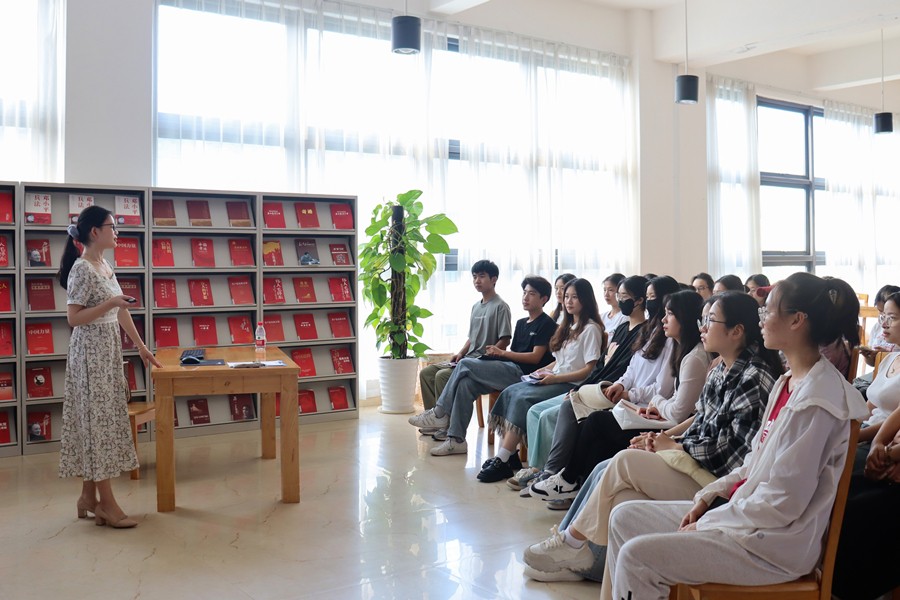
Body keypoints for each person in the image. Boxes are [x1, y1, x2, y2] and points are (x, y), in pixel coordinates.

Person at [603, 272, 866, 600]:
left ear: (797, 320)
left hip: (773, 545)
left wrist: (713, 520)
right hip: (748, 517)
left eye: (767, 310)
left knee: (638, 557)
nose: (761, 319)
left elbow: (783, 503)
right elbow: (753, 462)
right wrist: (707, 497)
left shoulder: (818, 401)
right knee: (624, 517)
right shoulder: (788, 382)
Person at [523, 292, 783, 587]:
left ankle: (571, 543)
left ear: (737, 331)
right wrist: (663, 438)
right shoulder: (721, 368)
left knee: (623, 460)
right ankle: (586, 565)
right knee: (621, 498)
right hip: (694, 463)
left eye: (711, 320)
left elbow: (730, 454)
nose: (702, 327)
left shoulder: (752, 377)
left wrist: (674, 445)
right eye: (703, 319)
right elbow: (700, 419)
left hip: (713, 481)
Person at [528, 290, 709, 500]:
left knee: (596, 422)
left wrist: (655, 402)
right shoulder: (679, 349)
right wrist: (626, 388)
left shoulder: (692, 357)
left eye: (670, 314)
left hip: (668, 423)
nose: (663, 319)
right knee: (594, 430)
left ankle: (569, 480)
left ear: (684, 318)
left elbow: (678, 411)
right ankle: (580, 487)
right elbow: (634, 372)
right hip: (657, 414)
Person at [517, 276, 679, 488]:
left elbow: (662, 389)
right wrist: (620, 385)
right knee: (544, 407)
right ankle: (550, 472)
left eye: (651, 298)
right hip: (618, 393)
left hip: (636, 404)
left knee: (579, 416)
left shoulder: (668, 341)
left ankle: (560, 475)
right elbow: (627, 369)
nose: (618, 300)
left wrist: (625, 392)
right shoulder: (644, 331)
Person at [57, 206, 162, 529]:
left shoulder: (104, 266)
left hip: (108, 351)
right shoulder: (81, 269)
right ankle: (107, 504)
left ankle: (88, 498)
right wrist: (111, 303)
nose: (116, 233)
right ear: (94, 232)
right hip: (89, 354)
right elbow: (74, 318)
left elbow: (120, 311)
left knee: (102, 421)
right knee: (97, 426)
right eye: (112, 227)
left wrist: (141, 347)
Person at [407, 276, 556, 456]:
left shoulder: (547, 324)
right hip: (509, 368)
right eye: (524, 293)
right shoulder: (521, 323)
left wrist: (502, 353)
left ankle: (439, 412)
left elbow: (535, 357)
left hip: (524, 376)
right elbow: (515, 353)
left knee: (465, 364)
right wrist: (496, 357)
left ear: (544, 299)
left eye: (531, 294)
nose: (525, 297)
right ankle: (456, 440)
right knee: (466, 384)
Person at [478, 278, 604, 482]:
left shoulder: (591, 329)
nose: (569, 301)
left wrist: (555, 379)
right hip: (555, 378)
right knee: (512, 390)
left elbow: (588, 370)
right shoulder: (568, 326)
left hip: (570, 384)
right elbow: (558, 361)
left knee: (523, 399)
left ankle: (504, 458)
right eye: (567, 296)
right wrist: (541, 371)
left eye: (575, 297)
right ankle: (509, 455)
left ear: (586, 299)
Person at [418, 260, 512, 412]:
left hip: (483, 363)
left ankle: (444, 419)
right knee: (426, 373)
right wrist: (461, 353)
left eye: (482, 276)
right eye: (474, 277)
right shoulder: (476, 306)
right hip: (467, 358)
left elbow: (505, 339)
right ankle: (432, 416)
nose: (477, 280)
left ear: (494, 279)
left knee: (442, 376)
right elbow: (472, 338)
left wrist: (490, 353)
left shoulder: (501, 306)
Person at [833, 402, 900, 599]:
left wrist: (889, 455)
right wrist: (877, 445)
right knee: (831, 487)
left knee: (855, 511)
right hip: (891, 451)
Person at [856, 284, 900, 397]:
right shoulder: (877, 328)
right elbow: (872, 403)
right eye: (882, 315)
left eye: (891, 317)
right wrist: (871, 357)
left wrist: (885, 356)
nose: (883, 324)